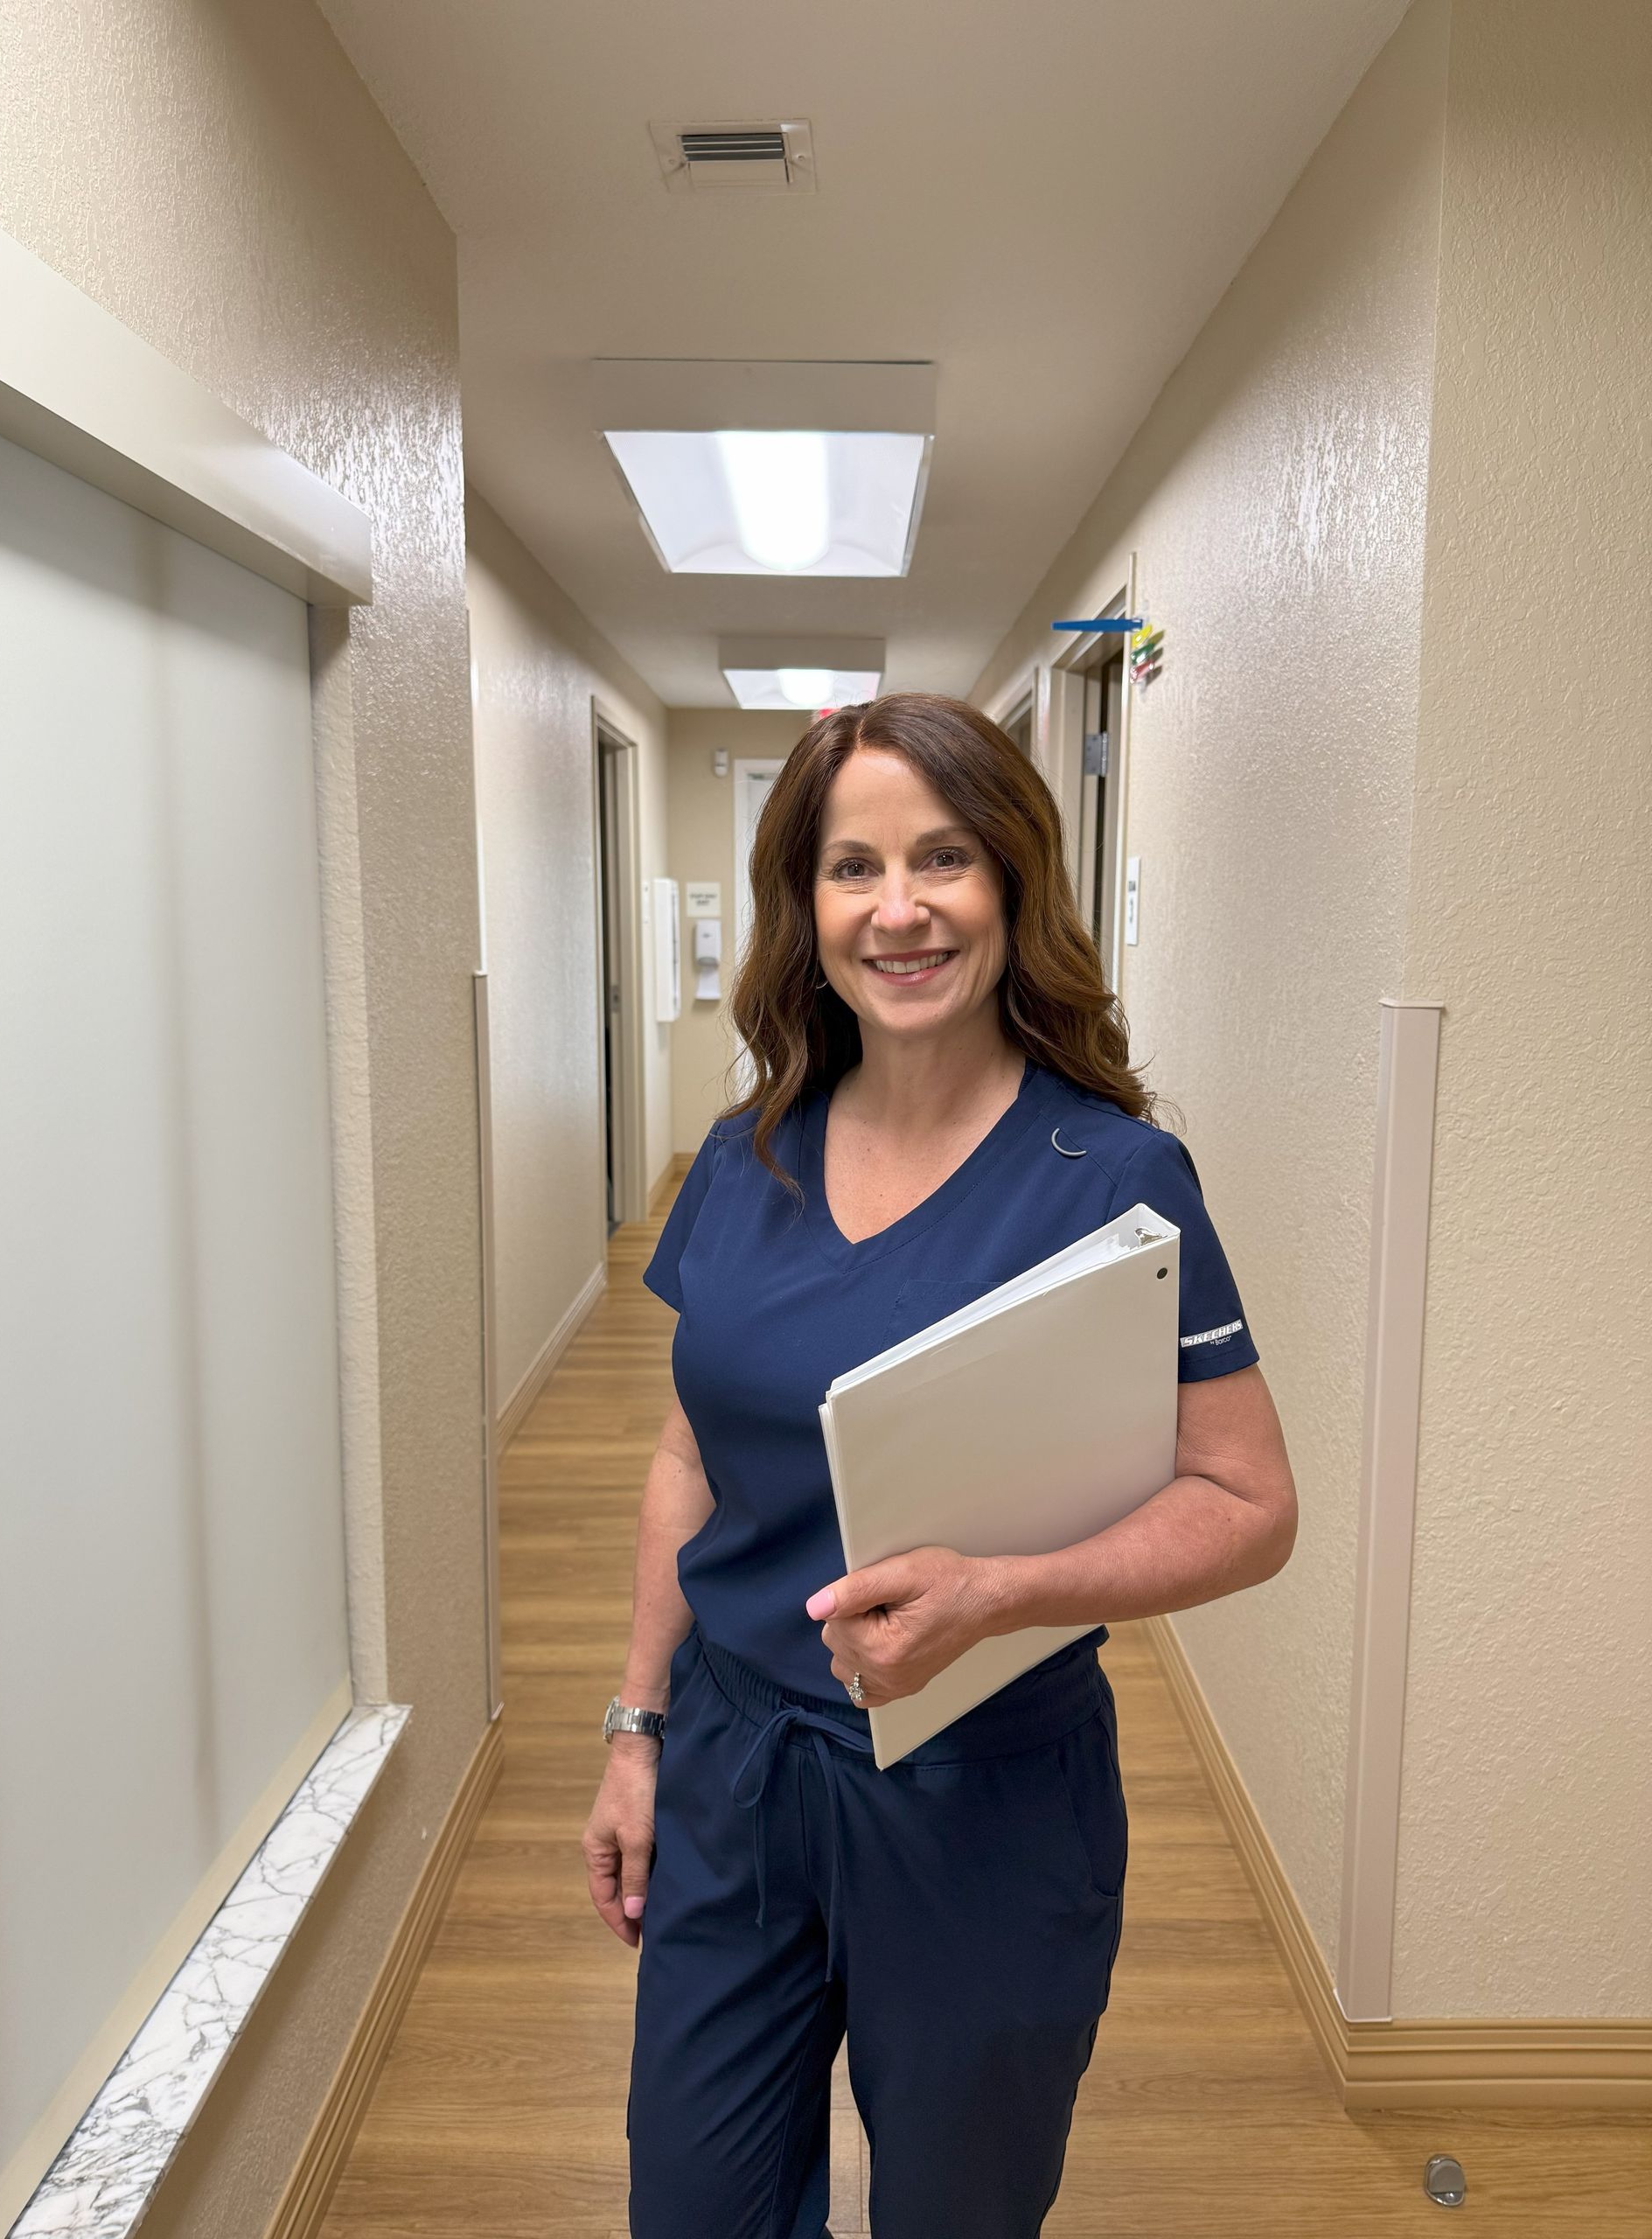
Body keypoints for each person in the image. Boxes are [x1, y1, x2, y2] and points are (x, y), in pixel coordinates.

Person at [582, 692, 1297, 2238]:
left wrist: (1008, 1589)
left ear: (1013, 882)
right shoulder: (744, 1154)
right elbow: (689, 1456)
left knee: (957, 2214)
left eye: (944, 858)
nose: (898, 909)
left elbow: (1249, 1505)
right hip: (738, 1767)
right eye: (853, 868)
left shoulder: (1110, 1176)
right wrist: (638, 1731)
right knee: (694, 2205)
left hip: (982, 1791)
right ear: (808, 905)